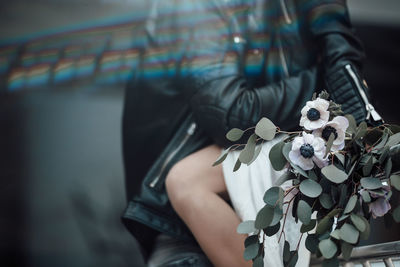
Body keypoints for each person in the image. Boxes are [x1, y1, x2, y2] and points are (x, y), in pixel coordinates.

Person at [121, 0, 382, 266]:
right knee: (186, 181)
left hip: (271, 213)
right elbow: (229, 116)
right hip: (187, 228)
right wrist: (327, 86)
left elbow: (350, 83)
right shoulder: (195, 7)